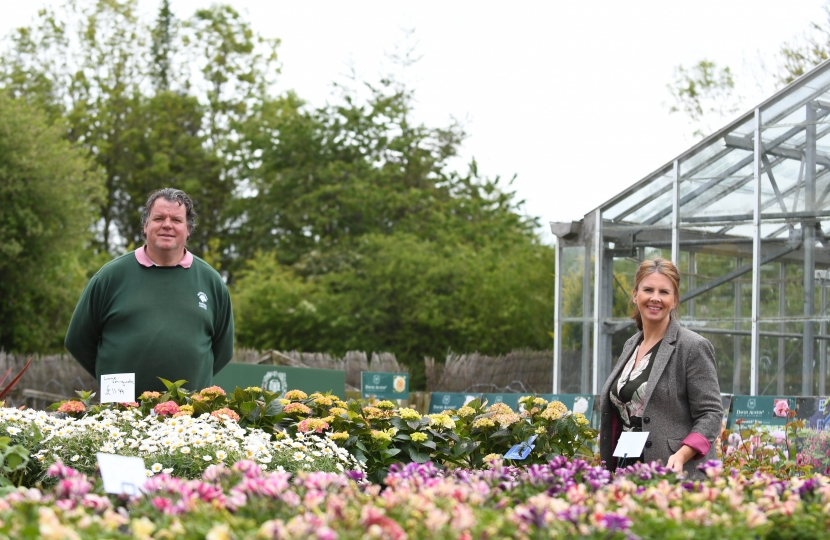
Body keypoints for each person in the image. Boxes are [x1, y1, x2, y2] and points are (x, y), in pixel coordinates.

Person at [65, 188, 234, 395]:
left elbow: (223, 351)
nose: (167, 225)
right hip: (122, 414)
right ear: (145, 225)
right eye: (159, 218)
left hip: (191, 417)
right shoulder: (110, 277)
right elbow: (77, 340)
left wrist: (195, 377)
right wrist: (110, 374)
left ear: (188, 229)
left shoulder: (212, 282)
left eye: (176, 220)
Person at [599, 258, 722, 477]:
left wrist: (682, 454)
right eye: (648, 290)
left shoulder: (692, 346)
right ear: (636, 295)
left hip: (673, 472)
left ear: (674, 300)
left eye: (664, 292)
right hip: (627, 467)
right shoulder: (631, 345)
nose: (655, 298)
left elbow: (711, 414)